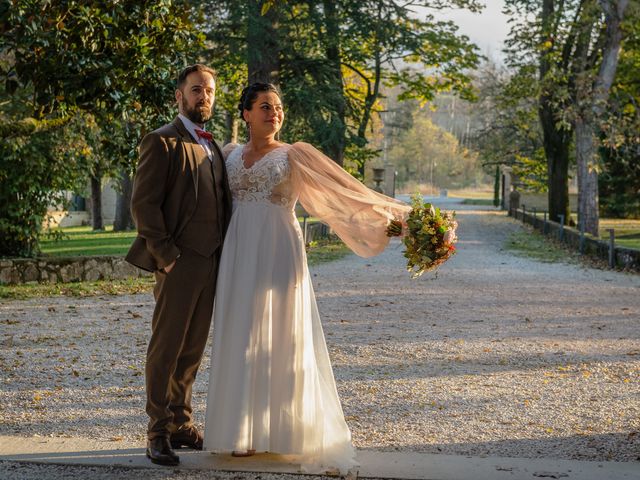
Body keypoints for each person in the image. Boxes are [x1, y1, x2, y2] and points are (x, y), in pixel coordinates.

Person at [202, 82, 410, 473]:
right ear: (246, 113)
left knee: (280, 334)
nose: (274, 113)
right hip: (237, 250)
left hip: (278, 249)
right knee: (240, 332)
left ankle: (285, 433)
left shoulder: (294, 155)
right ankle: (241, 432)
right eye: (265, 106)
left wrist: (399, 221)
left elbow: (345, 194)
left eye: (278, 107)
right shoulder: (228, 153)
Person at [126, 64, 232, 466]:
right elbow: (144, 205)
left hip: (211, 262)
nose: (203, 96)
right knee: (166, 348)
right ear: (179, 96)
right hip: (178, 262)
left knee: (191, 351)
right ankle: (156, 433)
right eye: (195, 90)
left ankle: (180, 423)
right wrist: (166, 257)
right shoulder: (161, 141)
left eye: (208, 91)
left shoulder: (214, 145)